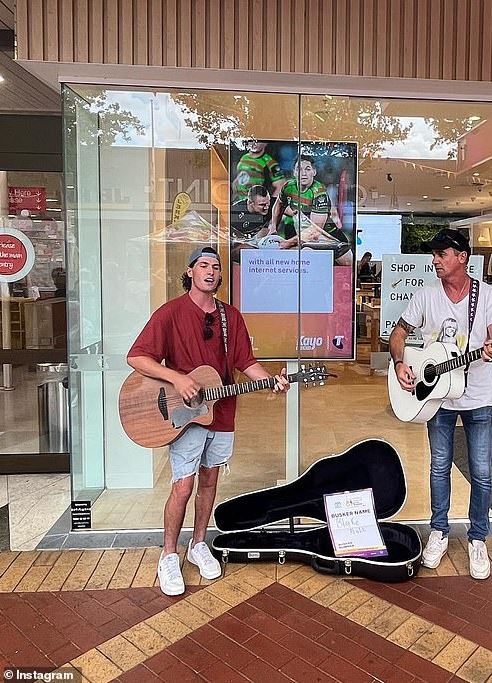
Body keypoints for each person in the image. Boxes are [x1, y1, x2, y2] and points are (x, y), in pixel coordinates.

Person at [127, 246, 290, 595]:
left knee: (210, 482)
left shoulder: (231, 317)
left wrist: (271, 381)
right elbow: (137, 357)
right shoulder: (170, 313)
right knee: (182, 486)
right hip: (185, 415)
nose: (211, 271)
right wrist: (177, 378)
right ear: (189, 272)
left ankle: (199, 544)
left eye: (216, 266)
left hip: (222, 411)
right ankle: (169, 554)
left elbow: (246, 362)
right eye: (204, 265)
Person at [388, 229, 492, 580]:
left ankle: (477, 537)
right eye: (434, 254)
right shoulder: (425, 296)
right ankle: (438, 531)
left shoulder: (487, 296)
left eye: (442, 254)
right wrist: (400, 362)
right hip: (438, 399)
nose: (435, 260)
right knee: (439, 467)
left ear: (462, 257)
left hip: (478, 399)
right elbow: (399, 333)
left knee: (482, 473)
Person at [268, 154, 353, 266]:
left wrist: (287, 243)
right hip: (306, 239)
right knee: (303, 256)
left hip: (329, 238)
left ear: (314, 172)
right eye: (299, 169)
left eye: (307, 169)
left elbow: (314, 232)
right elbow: (279, 204)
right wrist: (273, 227)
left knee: (348, 266)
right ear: (294, 172)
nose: (303, 173)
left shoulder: (319, 193)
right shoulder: (288, 187)